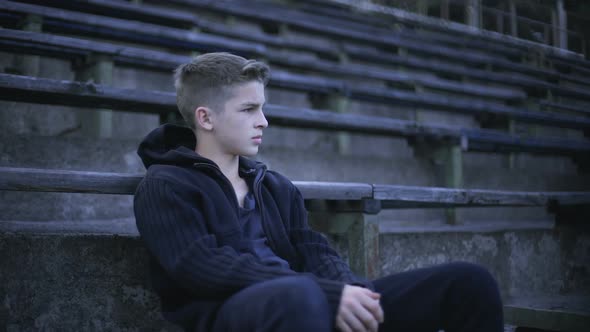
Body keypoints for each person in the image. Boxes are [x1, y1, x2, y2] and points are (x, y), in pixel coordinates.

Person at [133, 52, 504, 332]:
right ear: (205, 118)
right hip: (236, 313)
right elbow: (201, 268)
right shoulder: (166, 185)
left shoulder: (274, 186)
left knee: (469, 282)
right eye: (249, 109)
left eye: (262, 108)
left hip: (310, 301)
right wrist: (322, 292)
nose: (263, 121)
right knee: (301, 297)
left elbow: (313, 248)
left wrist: (353, 293)